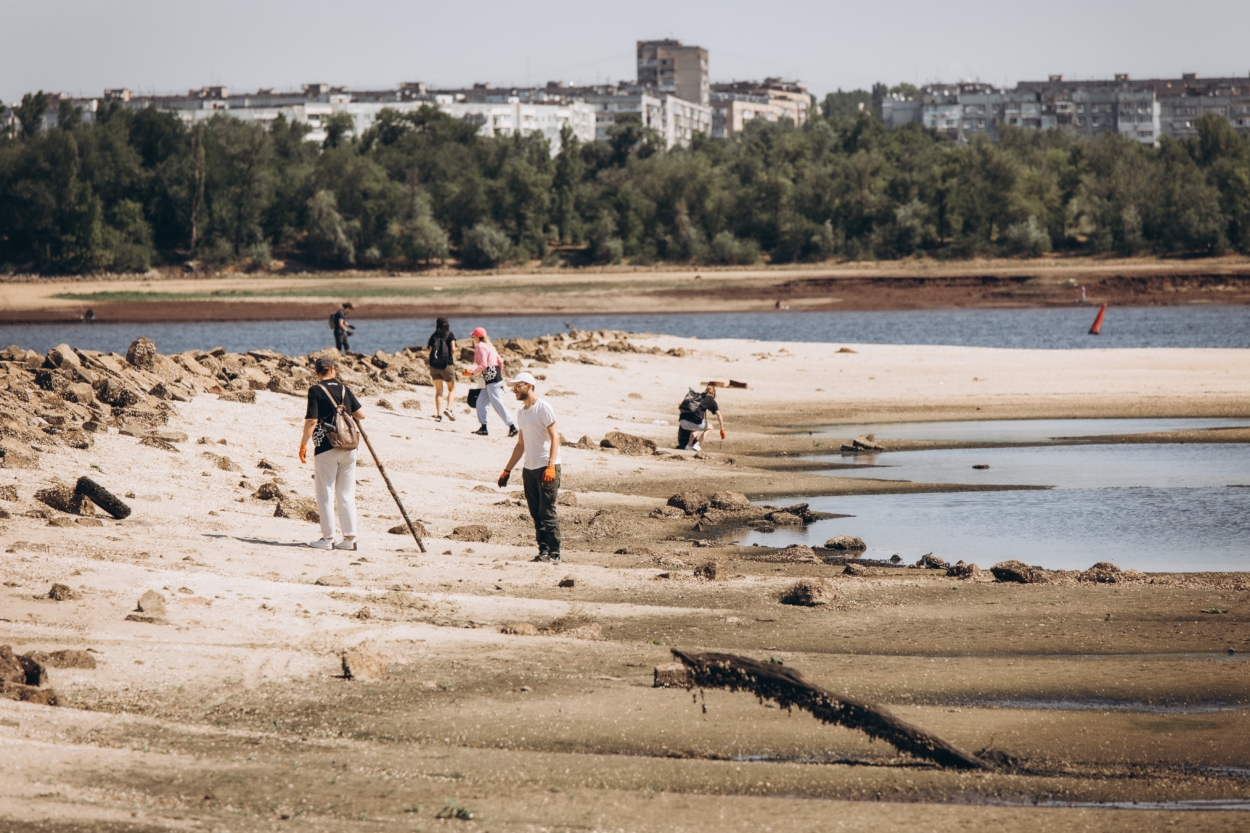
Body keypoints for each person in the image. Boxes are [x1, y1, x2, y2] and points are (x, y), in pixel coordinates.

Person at [299, 356, 365, 551]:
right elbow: (361, 415)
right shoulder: (345, 389)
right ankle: (349, 539)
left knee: (325, 492)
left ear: (318, 372)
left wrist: (303, 445)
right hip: (349, 446)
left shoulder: (316, 390)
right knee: (346, 493)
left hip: (326, 446)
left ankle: (328, 539)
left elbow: (312, 420)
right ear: (333, 370)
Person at [498, 371, 561, 562]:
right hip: (529, 468)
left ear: (529, 386)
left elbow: (555, 437)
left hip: (546, 466)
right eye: (513, 387)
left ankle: (555, 553)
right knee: (535, 512)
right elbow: (521, 445)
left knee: (547, 511)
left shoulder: (543, 408)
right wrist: (507, 470)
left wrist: (550, 465)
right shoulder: (521, 412)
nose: (514, 390)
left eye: (518, 386)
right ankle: (543, 552)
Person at [462, 326, 517, 438]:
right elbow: (500, 361)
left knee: (497, 404)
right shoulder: (490, 346)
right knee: (480, 402)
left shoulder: (480, 346)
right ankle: (483, 428)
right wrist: (498, 373)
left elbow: (483, 364)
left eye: (473, 336)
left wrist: (472, 373)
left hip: (491, 378)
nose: (473, 338)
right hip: (493, 376)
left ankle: (512, 427)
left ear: (477, 337)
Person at [677, 385, 726, 452]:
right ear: (714, 393)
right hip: (693, 423)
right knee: (710, 427)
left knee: (696, 428)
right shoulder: (710, 399)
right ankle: (697, 445)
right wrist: (722, 429)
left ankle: (689, 445)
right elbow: (719, 414)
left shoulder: (697, 397)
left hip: (682, 422)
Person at [427, 317, 457, 422]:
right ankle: (449, 409)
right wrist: (450, 356)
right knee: (451, 389)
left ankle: (438, 416)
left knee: (439, 391)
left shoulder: (433, 336)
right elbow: (453, 349)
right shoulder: (450, 335)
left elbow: (430, 351)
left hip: (434, 366)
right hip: (447, 365)